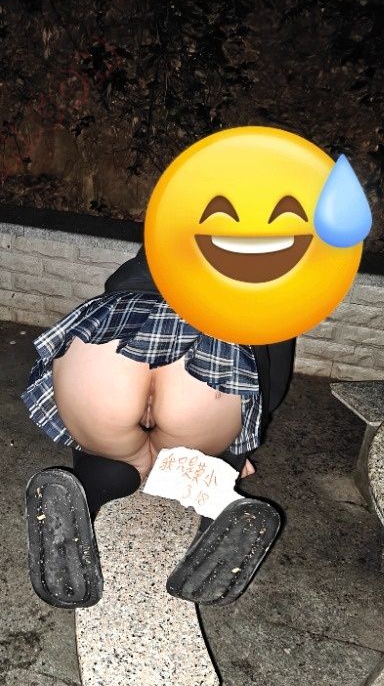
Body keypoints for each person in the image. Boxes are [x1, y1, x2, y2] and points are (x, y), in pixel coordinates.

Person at [21, 243, 292, 609]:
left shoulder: (169, 228)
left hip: (112, 335)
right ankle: (219, 507)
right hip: (206, 352)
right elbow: (272, 377)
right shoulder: (276, 258)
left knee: (112, 459)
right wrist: (241, 448)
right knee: (210, 462)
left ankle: (86, 493)